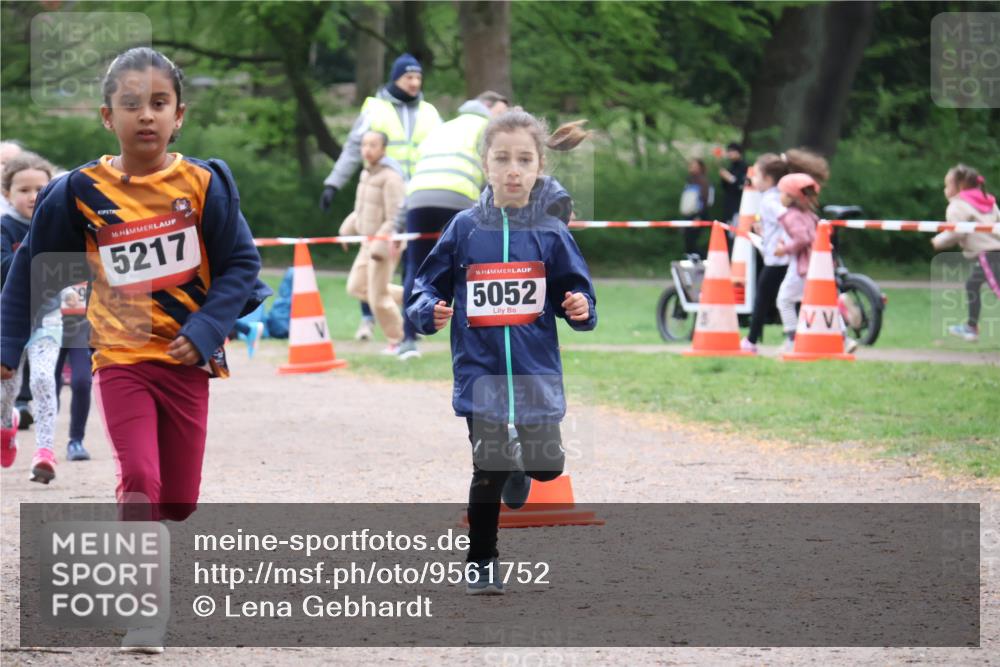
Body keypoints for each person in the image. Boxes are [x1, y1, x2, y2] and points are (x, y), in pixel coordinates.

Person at [2, 47, 269, 518]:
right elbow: (33, 268)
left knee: (180, 502)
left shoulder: (204, 185)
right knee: (142, 477)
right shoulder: (79, 192)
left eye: (159, 103)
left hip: (186, 360)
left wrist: (206, 329)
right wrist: (7, 346)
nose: (146, 115)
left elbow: (242, 264)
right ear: (108, 116)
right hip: (121, 357)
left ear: (178, 115)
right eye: (130, 104)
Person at [406, 110, 597, 594]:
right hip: (480, 369)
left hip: (534, 371)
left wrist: (578, 306)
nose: (513, 169)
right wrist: (428, 310)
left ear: (538, 168)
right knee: (488, 468)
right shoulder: (464, 229)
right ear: (485, 165)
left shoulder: (551, 232)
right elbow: (424, 285)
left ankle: (522, 465)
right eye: (502, 159)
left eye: (524, 160)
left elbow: (575, 290)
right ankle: (482, 560)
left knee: (546, 466)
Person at [319, 53, 441, 342]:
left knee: (411, 266)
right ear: (395, 78)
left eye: (418, 77)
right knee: (372, 264)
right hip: (383, 197)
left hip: (419, 201)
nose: (414, 82)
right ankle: (367, 321)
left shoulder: (430, 113)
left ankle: (409, 325)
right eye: (408, 76)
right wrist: (333, 183)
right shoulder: (375, 109)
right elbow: (352, 149)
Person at [396, 91, 510, 359]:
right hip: (458, 195)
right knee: (470, 267)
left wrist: (399, 221)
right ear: (487, 107)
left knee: (415, 267)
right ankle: (476, 339)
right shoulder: (487, 128)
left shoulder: (442, 127)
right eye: (502, 112)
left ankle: (408, 340)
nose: (505, 120)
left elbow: (416, 167)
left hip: (418, 197)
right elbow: (492, 171)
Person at [0, 152, 61, 477]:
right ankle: (6, 425)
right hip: (8, 320)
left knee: (41, 379)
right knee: (6, 390)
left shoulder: (59, 226)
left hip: (48, 318)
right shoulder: (5, 227)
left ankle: (45, 452)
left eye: (40, 188)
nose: (33, 196)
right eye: (24, 190)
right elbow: (4, 269)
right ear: (7, 194)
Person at [741, 149, 829, 353]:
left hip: (779, 258)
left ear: (768, 178)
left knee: (765, 298)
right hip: (783, 257)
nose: (753, 178)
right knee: (791, 297)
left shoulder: (772, 200)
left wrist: (785, 235)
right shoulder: (774, 197)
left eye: (757, 174)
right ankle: (800, 335)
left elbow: (787, 216)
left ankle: (754, 341)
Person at [339, 130, 407, 354]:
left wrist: (380, 245)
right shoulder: (366, 174)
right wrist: (347, 229)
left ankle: (399, 340)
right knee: (356, 287)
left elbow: (396, 217)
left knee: (378, 297)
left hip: (385, 245)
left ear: (383, 150)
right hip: (367, 243)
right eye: (364, 145)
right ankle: (414, 298)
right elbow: (361, 209)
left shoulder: (391, 177)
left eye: (373, 145)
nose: (367, 149)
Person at [931, 164, 1000, 342]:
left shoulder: (958, 205)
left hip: (988, 255)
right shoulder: (989, 201)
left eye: (947, 185)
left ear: (959, 186)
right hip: (994, 252)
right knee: (972, 285)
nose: (945, 190)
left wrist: (939, 241)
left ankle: (971, 328)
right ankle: (971, 327)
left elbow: (957, 231)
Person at [774, 173, 821, 352]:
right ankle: (843, 339)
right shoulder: (809, 214)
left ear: (792, 196)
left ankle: (792, 340)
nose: (780, 197)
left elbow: (801, 238)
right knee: (822, 303)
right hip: (817, 265)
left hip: (801, 267)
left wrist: (783, 250)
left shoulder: (791, 215)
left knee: (784, 300)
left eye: (783, 193)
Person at [54, 282, 93, 461]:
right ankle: (44, 444)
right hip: (50, 327)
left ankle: (76, 441)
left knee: (82, 382)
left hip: (79, 328)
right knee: (49, 384)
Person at [680, 158, 713, 258]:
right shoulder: (690, 181)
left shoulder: (703, 181)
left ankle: (705, 260)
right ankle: (692, 261)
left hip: (697, 215)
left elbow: (705, 200)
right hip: (688, 215)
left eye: (694, 165)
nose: (691, 167)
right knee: (688, 242)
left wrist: (699, 216)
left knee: (692, 242)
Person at [718, 142, 747, 227]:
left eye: (732, 151)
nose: (730, 153)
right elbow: (725, 187)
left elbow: (742, 186)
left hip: (738, 205)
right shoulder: (731, 166)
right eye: (729, 151)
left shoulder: (744, 167)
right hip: (728, 203)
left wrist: (730, 178)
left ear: (739, 152)